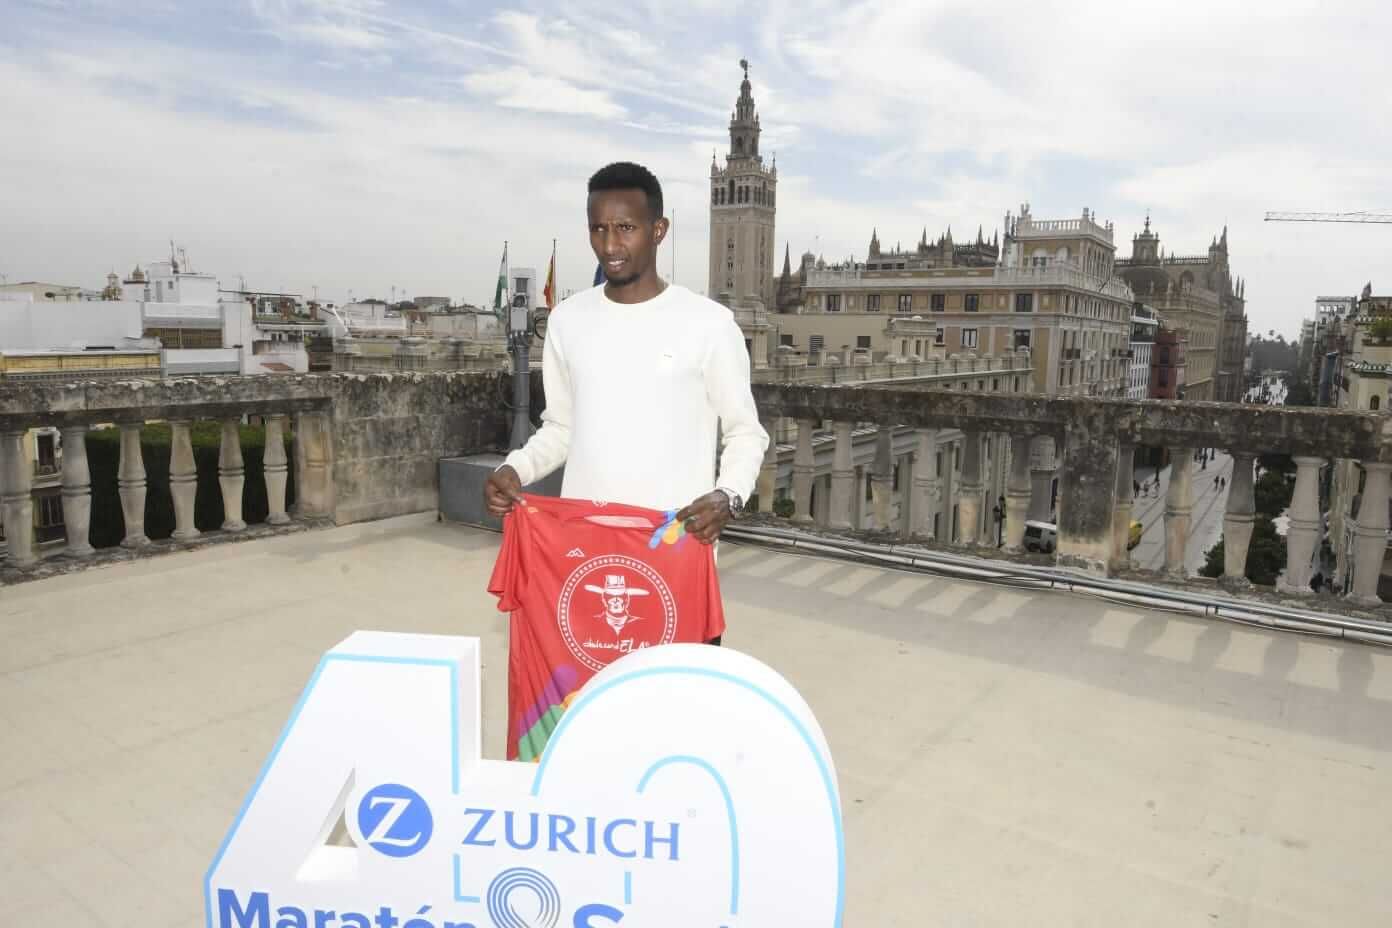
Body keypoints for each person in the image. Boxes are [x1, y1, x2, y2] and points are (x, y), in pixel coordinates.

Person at [485, 161, 770, 640]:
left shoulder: (709, 324)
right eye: (599, 229)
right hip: (584, 556)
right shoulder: (568, 320)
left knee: (675, 708)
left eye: (626, 228)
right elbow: (561, 428)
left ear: (659, 230)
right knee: (588, 707)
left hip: (676, 554)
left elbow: (745, 431)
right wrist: (516, 468)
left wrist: (729, 495)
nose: (610, 245)